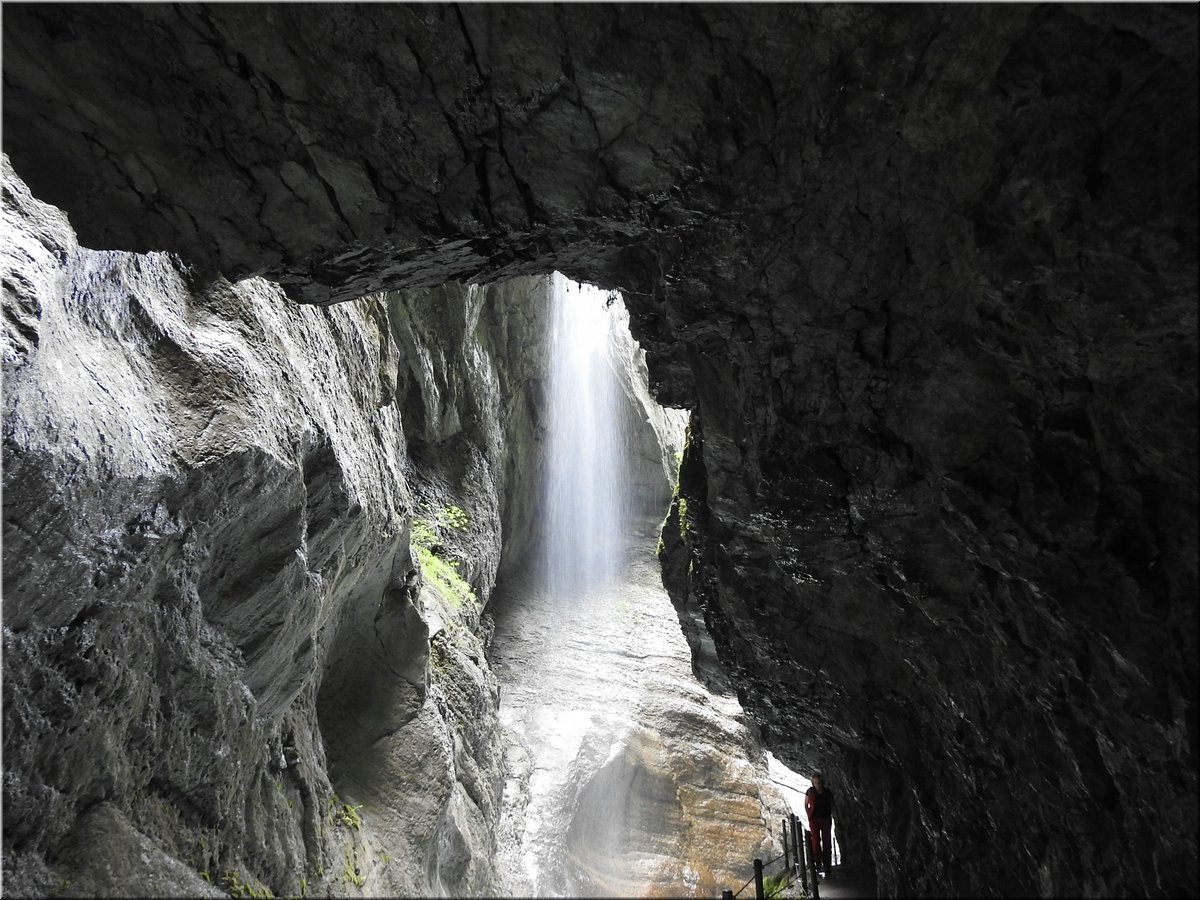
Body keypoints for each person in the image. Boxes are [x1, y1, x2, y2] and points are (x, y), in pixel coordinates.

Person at [805, 773, 834, 875]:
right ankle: (818, 864)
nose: (818, 785)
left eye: (820, 782)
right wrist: (809, 815)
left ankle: (827, 865)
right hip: (814, 820)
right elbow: (806, 804)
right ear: (813, 783)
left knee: (827, 842)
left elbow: (832, 805)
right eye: (816, 783)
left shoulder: (827, 793)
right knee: (815, 842)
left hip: (825, 819)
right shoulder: (810, 791)